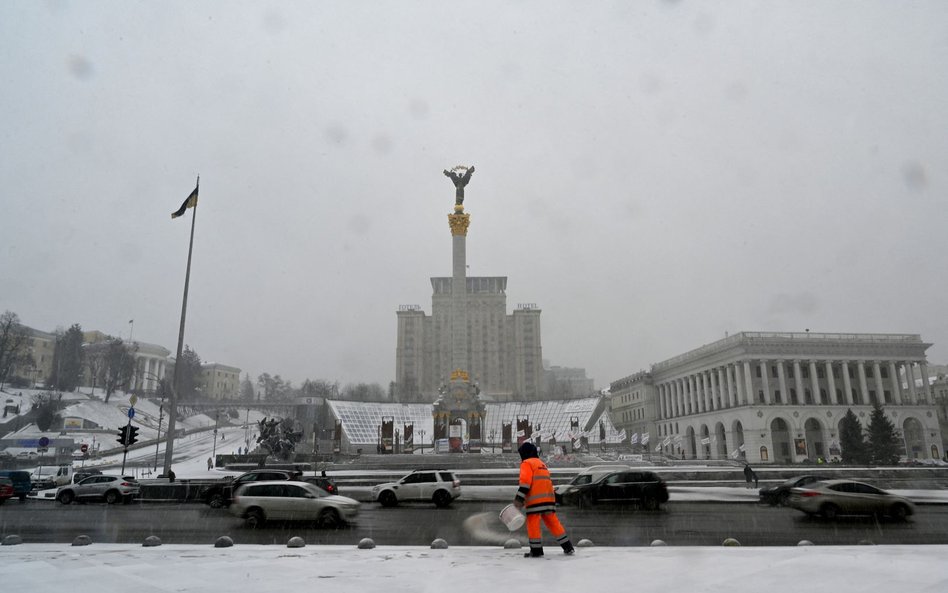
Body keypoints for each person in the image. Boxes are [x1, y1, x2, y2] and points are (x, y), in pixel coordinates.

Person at [513, 442, 574, 558]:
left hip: (535, 501)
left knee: (533, 525)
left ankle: (536, 551)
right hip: (549, 499)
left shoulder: (526, 463)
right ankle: (568, 547)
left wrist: (519, 499)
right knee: (554, 523)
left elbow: (525, 483)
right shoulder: (541, 463)